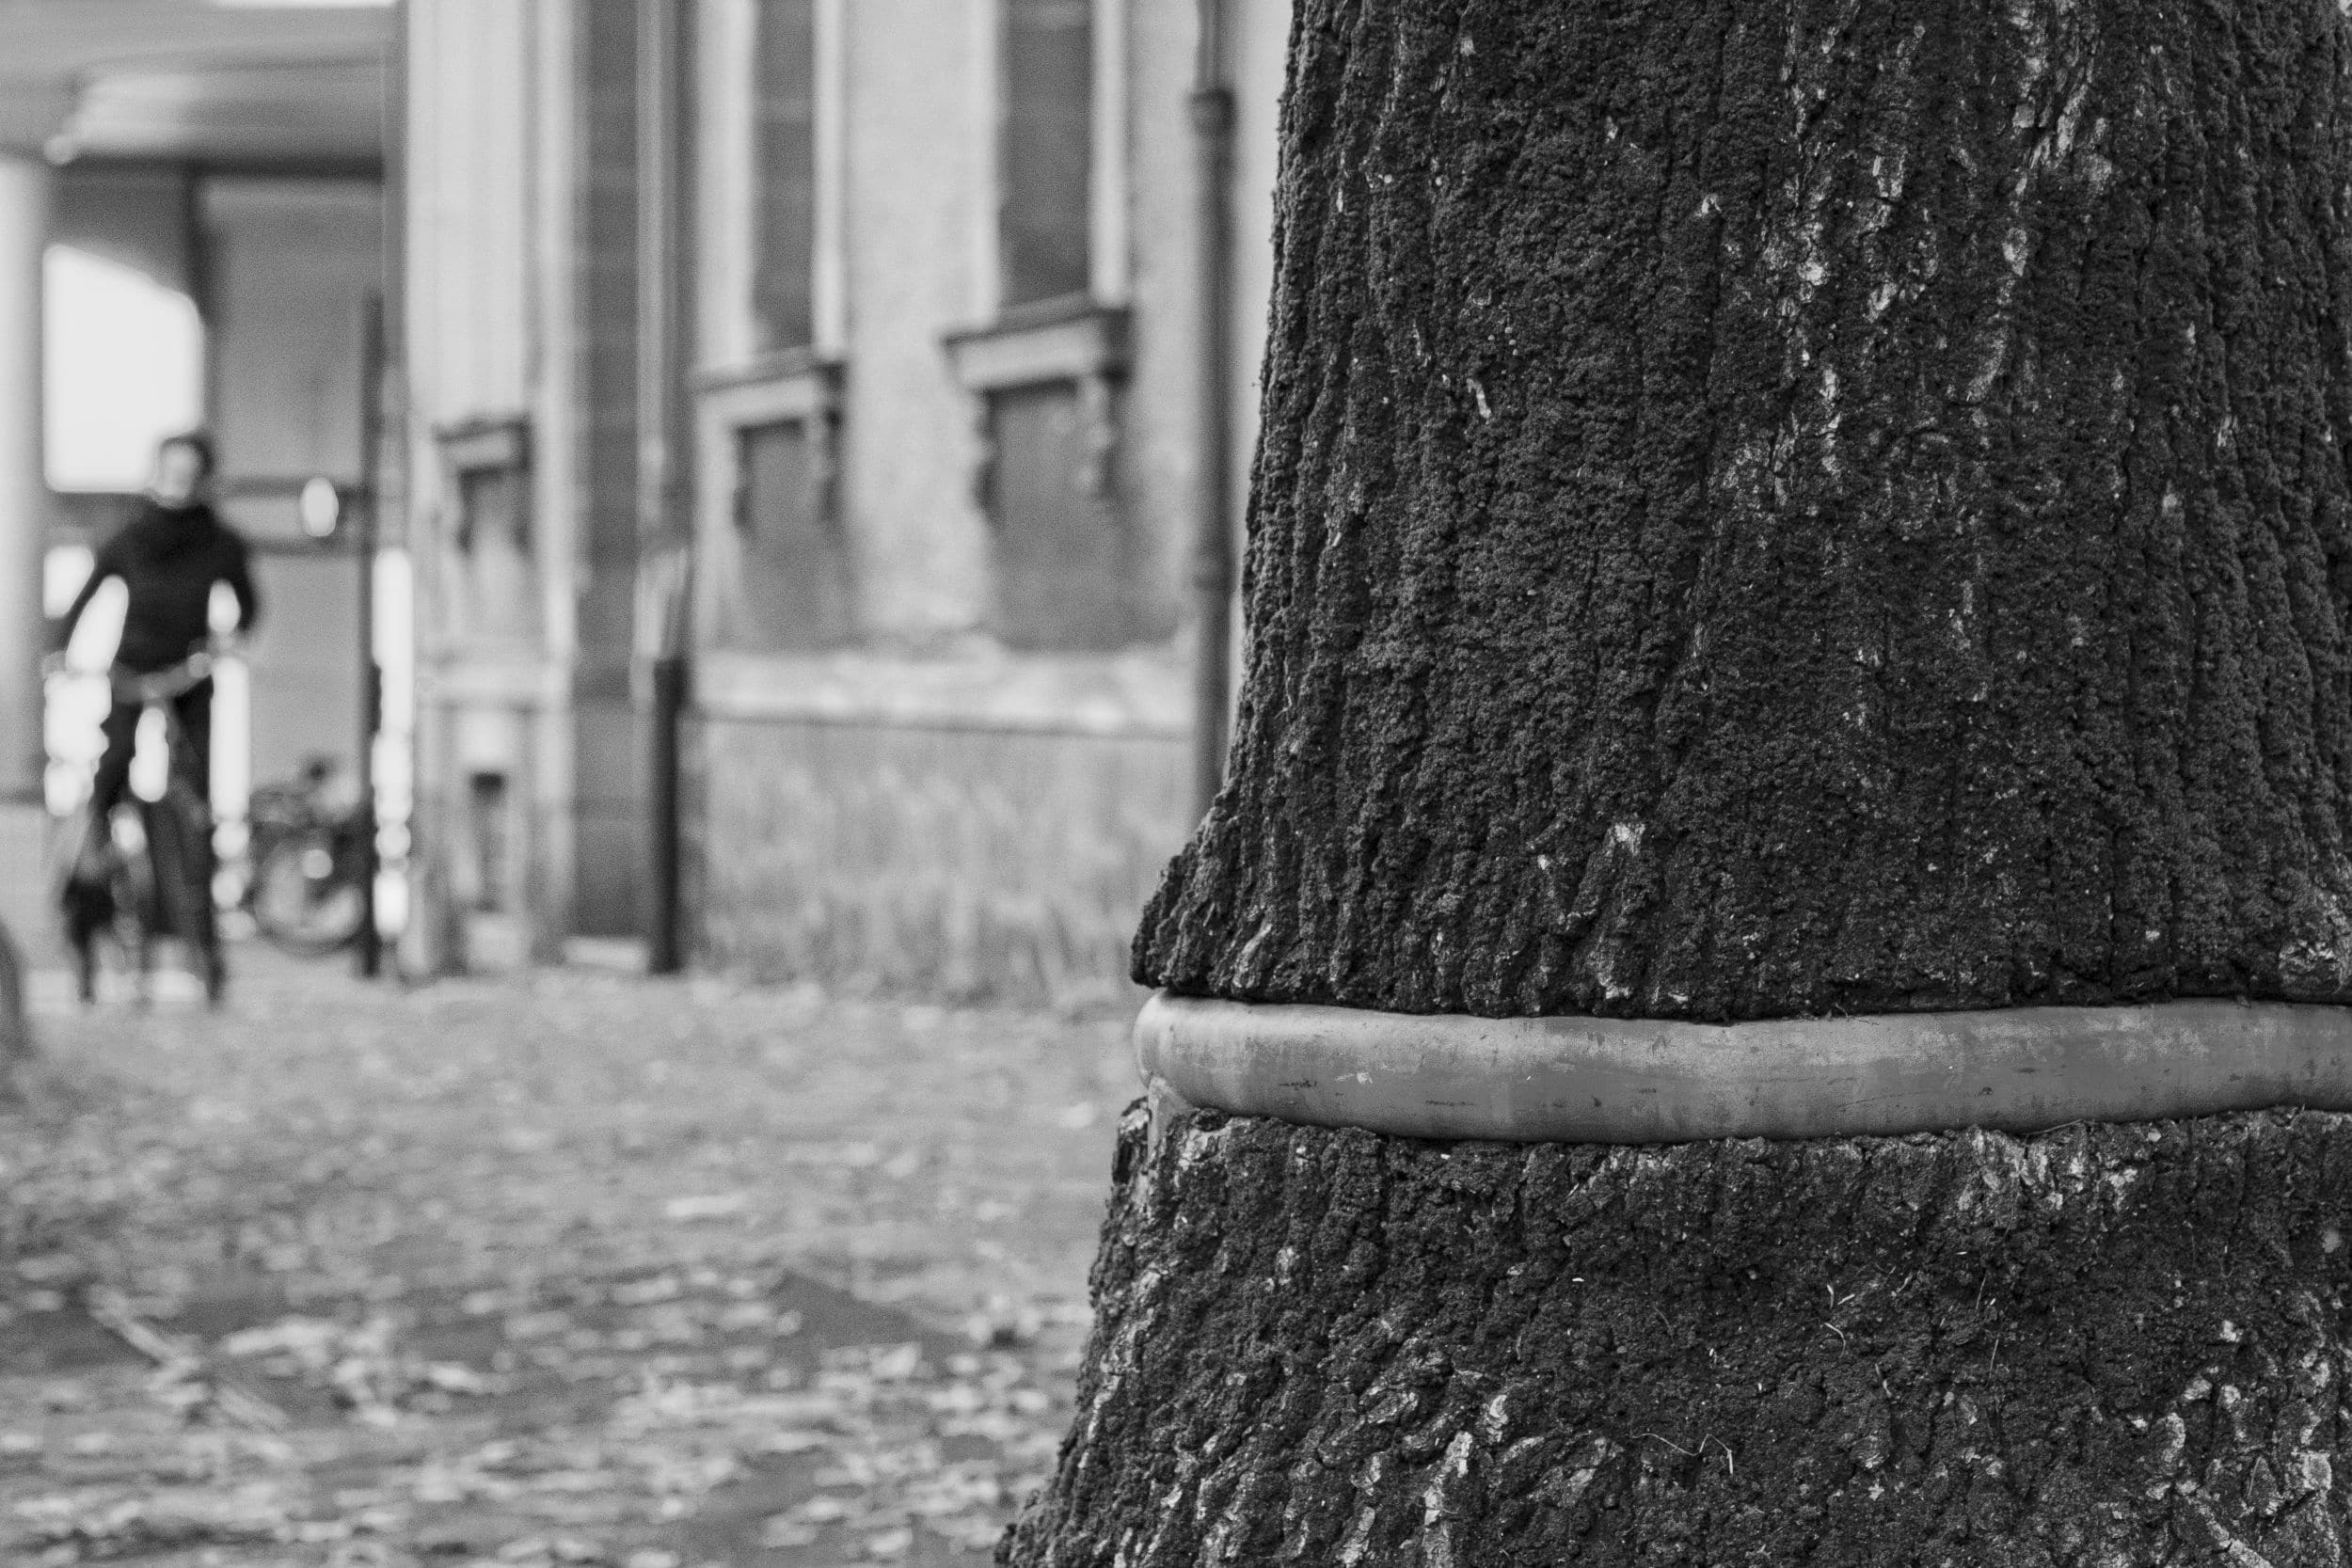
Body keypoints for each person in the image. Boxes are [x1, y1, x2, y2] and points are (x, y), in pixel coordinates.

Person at [52, 431, 261, 826]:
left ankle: (193, 865)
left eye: (187, 473)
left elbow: (248, 606)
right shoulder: (129, 540)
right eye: (170, 471)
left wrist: (231, 638)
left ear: (203, 480)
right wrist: (60, 650)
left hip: (188, 673)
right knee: (114, 759)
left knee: (195, 773)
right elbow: (84, 597)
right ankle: (96, 848)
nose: (176, 482)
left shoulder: (220, 544)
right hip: (131, 668)